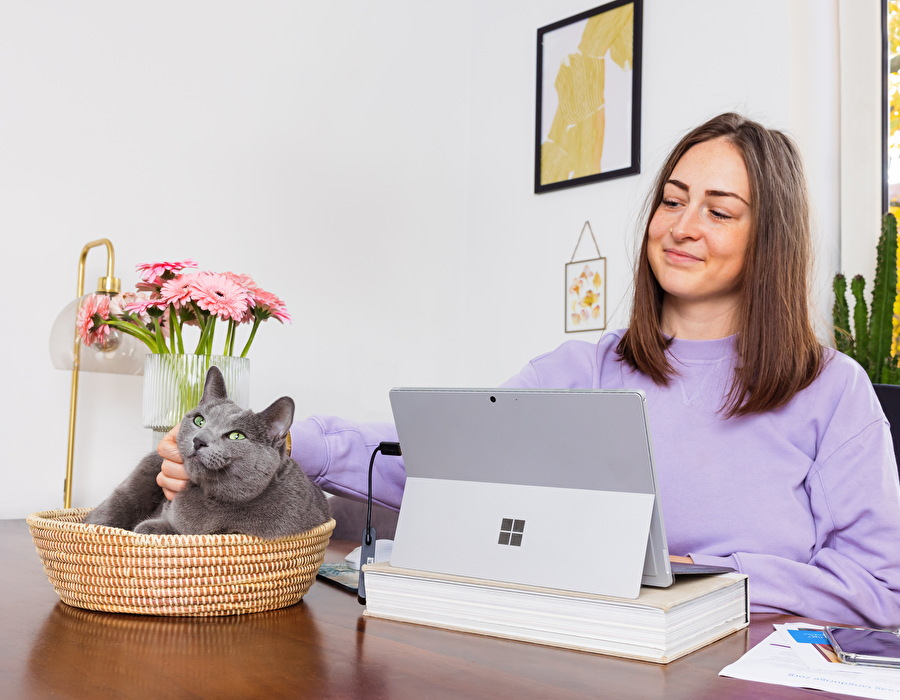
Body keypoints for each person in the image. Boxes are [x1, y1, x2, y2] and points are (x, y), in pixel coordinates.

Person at [157, 112, 900, 628]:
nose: (681, 226)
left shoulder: (833, 391)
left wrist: (703, 575)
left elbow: (878, 587)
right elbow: (445, 463)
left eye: (719, 210)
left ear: (771, 235)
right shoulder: (582, 369)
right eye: (671, 200)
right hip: (583, 659)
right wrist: (285, 446)